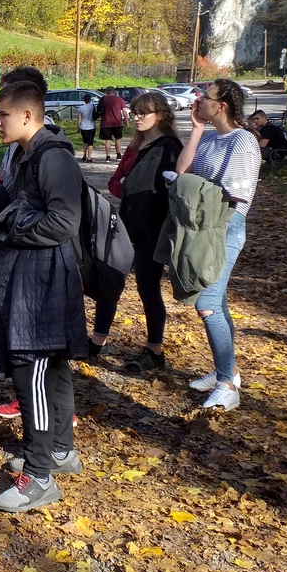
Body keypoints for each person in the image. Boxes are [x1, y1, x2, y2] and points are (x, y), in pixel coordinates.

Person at [0, 83, 85, 512]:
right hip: (34, 274)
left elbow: (64, 222)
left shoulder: (52, 156)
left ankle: (39, 477)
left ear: (27, 115)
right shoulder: (28, 154)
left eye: (2, 115)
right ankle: (60, 450)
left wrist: (5, 232)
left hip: (44, 279)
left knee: (32, 372)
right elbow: (31, 209)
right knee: (52, 367)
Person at [175, 79, 262, 411]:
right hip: (203, 226)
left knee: (207, 303)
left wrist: (190, 187)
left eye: (205, 97)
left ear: (222, 105)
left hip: (225, 227)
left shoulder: (243, 140)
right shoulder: (210, 137)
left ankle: (227, 385)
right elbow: (182, 171)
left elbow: (234, 194)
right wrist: (197, 129)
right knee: (219, 301)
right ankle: (228, 371)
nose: (198, 100)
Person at [107, 94, 183, 373]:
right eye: (135, 112)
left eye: (144, 113)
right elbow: (118, 182)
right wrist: (125, 186)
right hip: (131, 225)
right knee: (121, 281)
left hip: (154, 227)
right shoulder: (138, 145)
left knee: (148, 287)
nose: (136, 117)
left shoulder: (169, 147)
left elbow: (172, 188)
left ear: (160, 115)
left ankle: (154, 350)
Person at [98, 86, 128, 162]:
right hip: (117, 122)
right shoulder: (119, 99)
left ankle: (108, 156)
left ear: (106, 92)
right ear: (114, 92)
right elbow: (124, 111)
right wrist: (126, 120)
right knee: (117, 139)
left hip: (105, 122)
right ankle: (118, 154)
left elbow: (99, 110)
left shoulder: (103, 99)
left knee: (107, 140)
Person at [77, 93, 96, 163]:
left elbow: (79, 118)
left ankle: (84, 155)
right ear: (90, 100)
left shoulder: (80, 108)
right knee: (90, 142)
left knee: (85, 141)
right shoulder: (93, 106)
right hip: (91, 126)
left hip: (83, 126)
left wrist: (78, 127)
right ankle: (89, 157)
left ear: (84, 100)